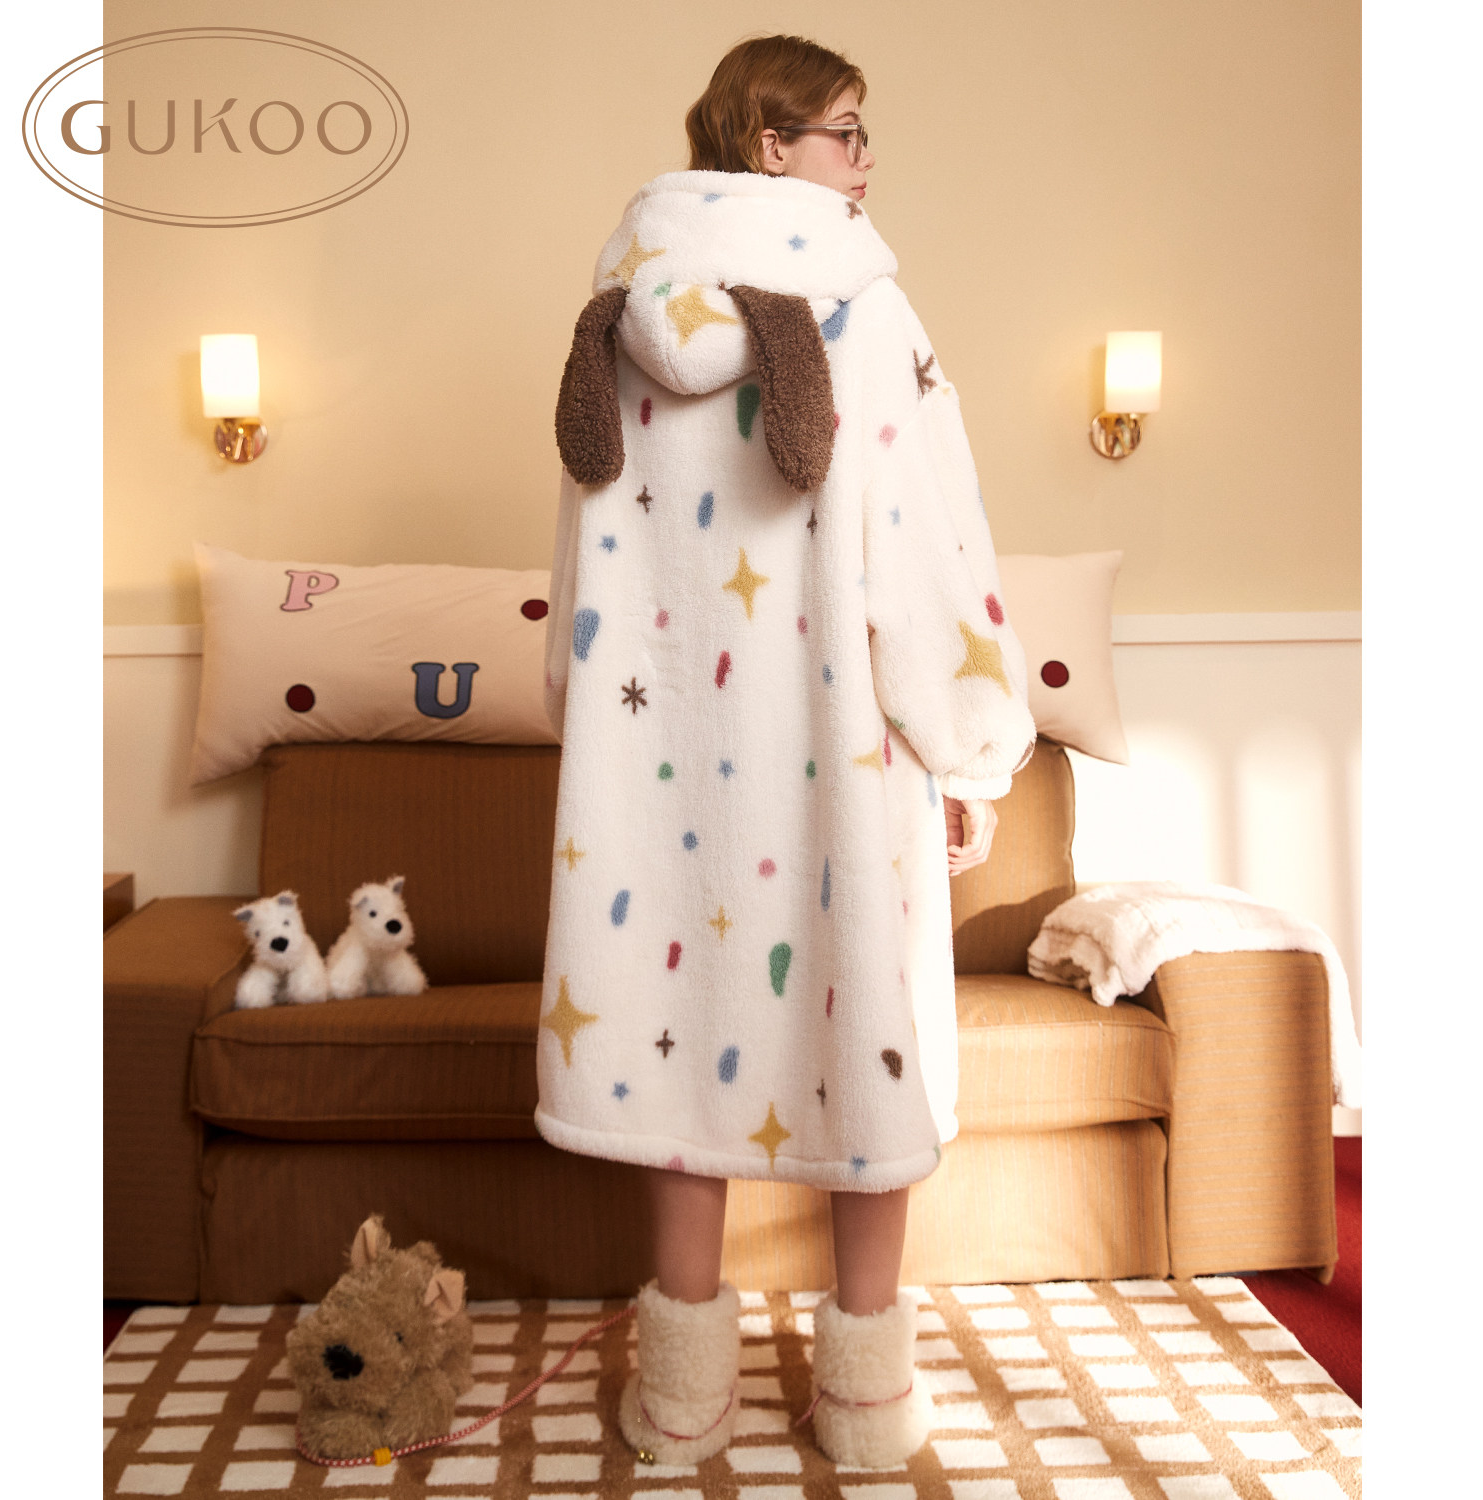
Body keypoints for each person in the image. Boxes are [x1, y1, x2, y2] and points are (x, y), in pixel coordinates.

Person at [539, 33, 1035, 1469]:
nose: (866, 162)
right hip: (842, 752)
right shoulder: (865, 310)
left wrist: (585, 725)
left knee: (673, 1035)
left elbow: (577, 549)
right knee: (865, 1032)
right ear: (771, 143)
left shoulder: (613, 319)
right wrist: (970, 745)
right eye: (846, 132)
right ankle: (866, 1402)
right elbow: (927, 540)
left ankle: (682, 1394)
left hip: (653, 766)